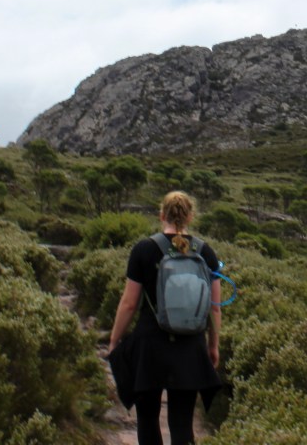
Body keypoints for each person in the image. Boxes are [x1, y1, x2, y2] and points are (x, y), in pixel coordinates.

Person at [108, 190, 222, 445]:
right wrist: (213, 346)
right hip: (191, 347)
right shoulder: (206, 252)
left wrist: (115, 340)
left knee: (148, 419)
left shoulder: (144, 250)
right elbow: (214, 308)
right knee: (182, 424)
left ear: (162, 215)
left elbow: (129, 304)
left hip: (149, 346)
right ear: (191, 216)